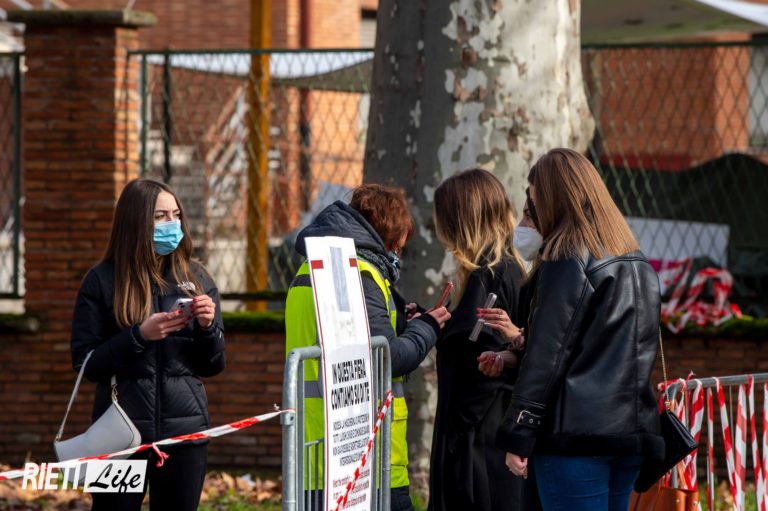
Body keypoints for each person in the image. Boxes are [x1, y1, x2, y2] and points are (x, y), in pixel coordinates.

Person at [495, 148, 663, 511]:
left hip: (575, 437)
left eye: (534, 201)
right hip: (629, 433)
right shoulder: (636, 260)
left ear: (554, 199)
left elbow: (548, 356)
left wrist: (519, 431)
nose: (531, 211)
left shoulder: (566, 256)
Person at [285, 184, 450, 511]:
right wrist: (428, 328)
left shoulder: (316, 267)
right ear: (389, 233)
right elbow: (387, 358)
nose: (399, 252)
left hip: (317, 451)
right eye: (399, 244)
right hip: (362, 458)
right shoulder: (359, 273)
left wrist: (402, 321)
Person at [70, 178, 225, 511]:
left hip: (184, 434)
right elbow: (86, 364)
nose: (172, 224)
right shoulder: (101, 280)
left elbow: (212, 365)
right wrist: (139, 336)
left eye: (176, 215)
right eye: (160, 216)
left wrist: (207, 327)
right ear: (136, 222)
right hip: (118, 435)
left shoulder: (197, 278)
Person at [428, 168, 527, 511]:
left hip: (479, 443)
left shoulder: (490, 276)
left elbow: (483, 355)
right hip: (485, 435)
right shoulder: (505, 269)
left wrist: (459, 427)